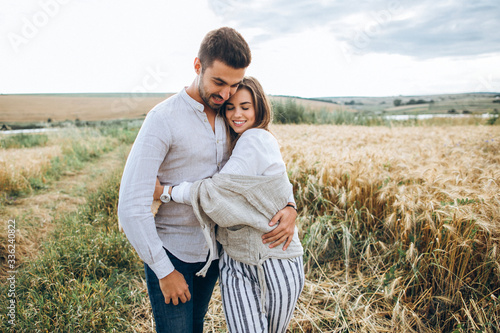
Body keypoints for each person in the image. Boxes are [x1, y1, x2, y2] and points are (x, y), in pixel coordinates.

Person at [117, 27, 298, 333]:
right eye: (219, 82)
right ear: (197, 66)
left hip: (215, 254)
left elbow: (266, 166)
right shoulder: (162, 119)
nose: (226, 94)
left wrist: (290, 205)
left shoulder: (232, 120)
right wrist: (164, 271)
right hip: (173, 253)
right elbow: (131, 206)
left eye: (234, 85)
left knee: (195, 327)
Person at [155, 77, 305, 333]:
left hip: (271, 259)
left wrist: (165, 191)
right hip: (237, 259)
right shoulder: (236, 141)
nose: (237, 114)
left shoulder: (255, 139)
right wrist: (291, 205)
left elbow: (216, 192)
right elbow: (279, 183)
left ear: (259, 108)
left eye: (245, 107)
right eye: (230, 107)